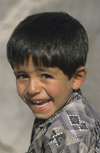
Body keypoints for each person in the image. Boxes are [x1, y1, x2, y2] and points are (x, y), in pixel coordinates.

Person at [7, 12, 100, 153]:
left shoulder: (69, 134)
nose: (32, 89)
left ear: (76, 78)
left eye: (45, 75)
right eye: (22, 75)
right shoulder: (61, 111)